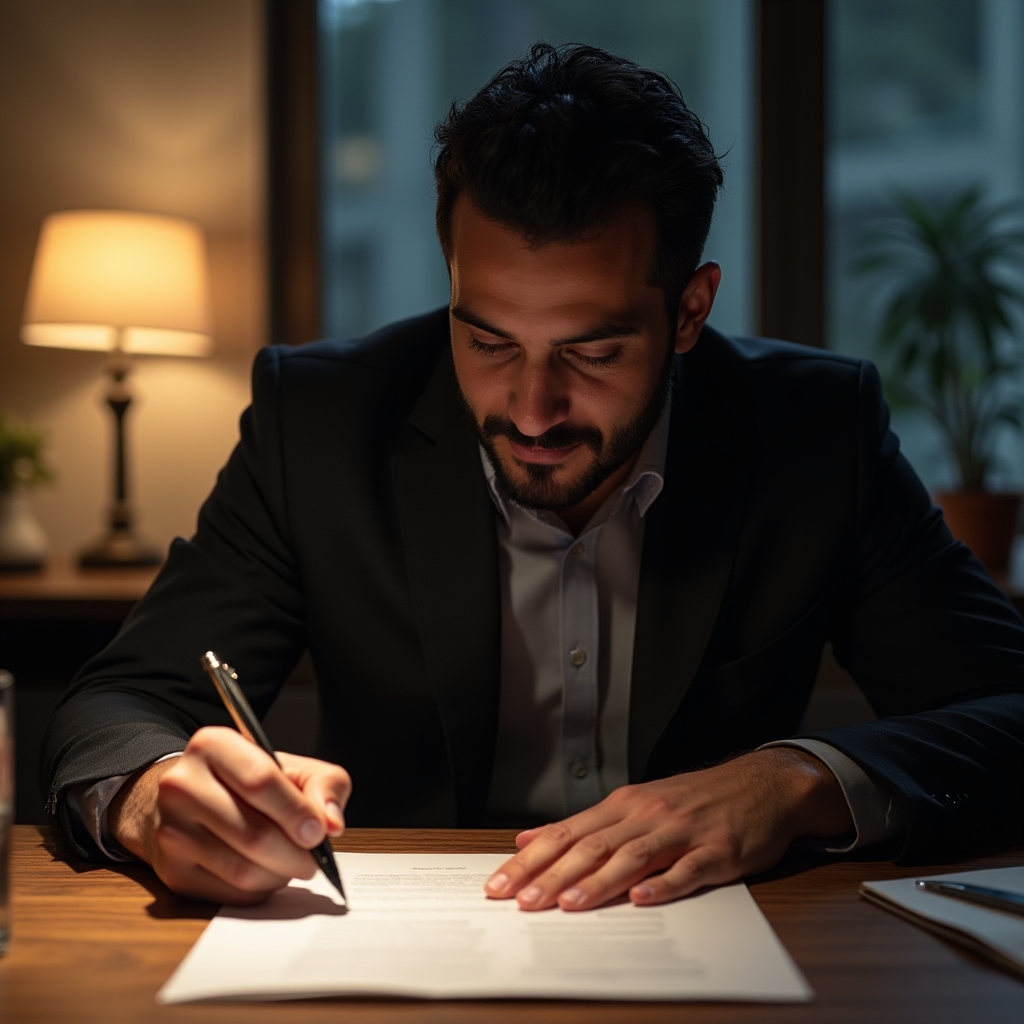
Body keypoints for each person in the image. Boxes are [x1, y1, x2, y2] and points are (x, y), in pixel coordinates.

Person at [44, 44, 1024, 910]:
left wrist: (787, 783)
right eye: (487, 339)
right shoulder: (321, 422)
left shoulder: (815, 432)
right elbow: (113, 707)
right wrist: (153, 796)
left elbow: (1009, 713)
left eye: (592, 351)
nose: (531, 407)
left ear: (688, 311)